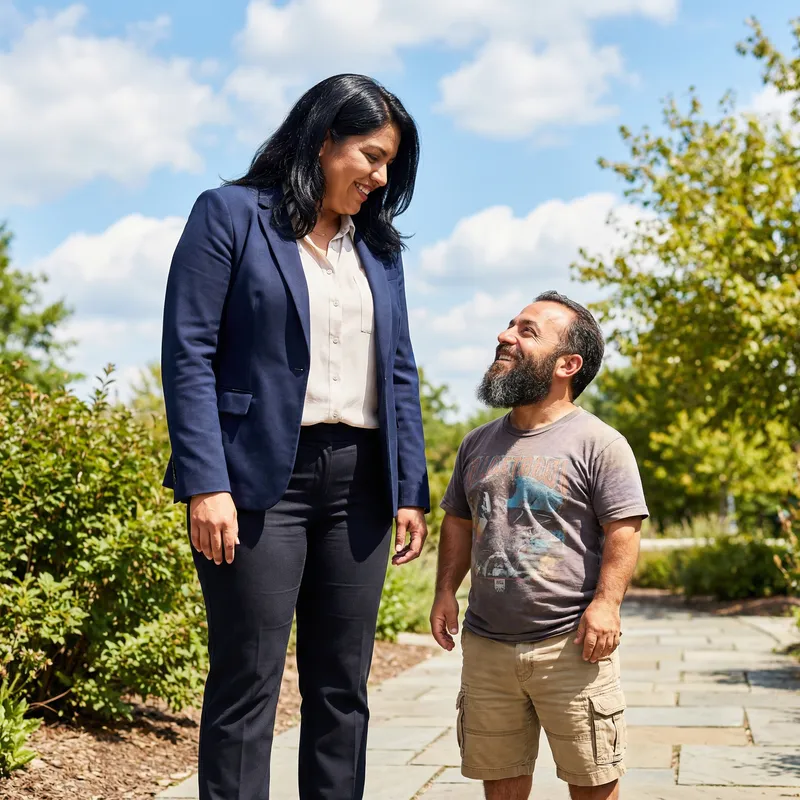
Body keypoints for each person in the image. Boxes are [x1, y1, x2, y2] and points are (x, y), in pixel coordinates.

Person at [161, 74, 430, 800]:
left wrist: (410, 488)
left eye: (388, 167)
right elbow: (189, 351)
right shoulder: (229, 216)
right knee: (248, 681)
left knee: (343, 687)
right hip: (255, 484)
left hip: (362, 485)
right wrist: (204, 481)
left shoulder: (378, 250)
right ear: (322, 140)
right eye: (371, 157)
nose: (379, 178)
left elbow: (397, 370)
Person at [430, 291, 648, 800]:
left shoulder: (601, 443)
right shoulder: (476, 442)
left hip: (570, 648)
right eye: (510, 325)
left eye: (527, 331)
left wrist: (607, 605)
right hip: (487, 647)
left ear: (567, 364)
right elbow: (459, 522)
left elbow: (624, 529)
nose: (506, 336)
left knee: (593, 783)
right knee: (501, 785)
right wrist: (445, 591)